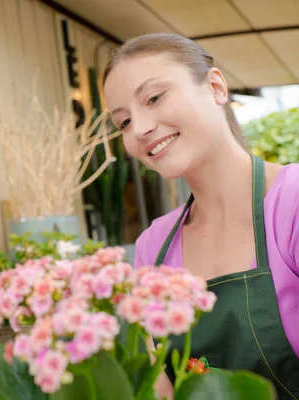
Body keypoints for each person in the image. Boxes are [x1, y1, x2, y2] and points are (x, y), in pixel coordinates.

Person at [102, 33, 299, 398]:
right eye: (124, 122)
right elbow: (160, 387)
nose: (141, 129)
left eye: (154, 98)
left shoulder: (293, 203)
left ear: (215, 86)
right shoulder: (153, 246)